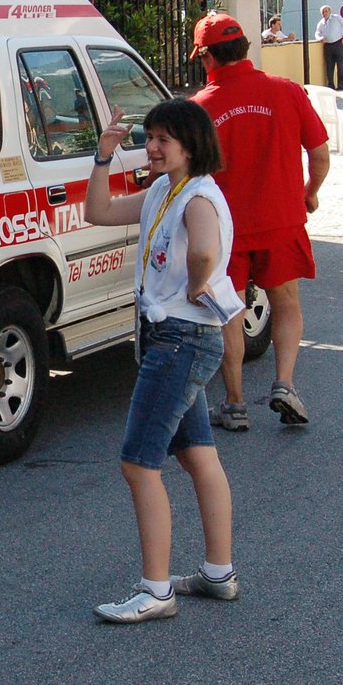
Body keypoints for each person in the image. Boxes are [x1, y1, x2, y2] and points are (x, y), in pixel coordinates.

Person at [83, 98, 242, 623]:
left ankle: (156, 590)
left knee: (137, 463)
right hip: (173, 336)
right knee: (198, 456)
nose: (150, 148)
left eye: (162, 140)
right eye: (148, 137)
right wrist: (102, 157)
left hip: (179, 339)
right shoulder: (162, 191)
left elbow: (205, 251)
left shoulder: (197, 198)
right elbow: (98, 212)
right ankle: (218, 573)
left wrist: (197, 284)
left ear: (190, 146)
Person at [189, 13, 330, 431]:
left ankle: (233, 404)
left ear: (207, 58)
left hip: (224, 230)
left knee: (229, 312)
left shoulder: (199, 109)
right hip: (281, 220)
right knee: (286, 302)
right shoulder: (286, 91)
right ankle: (284, 383)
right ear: (246, 48)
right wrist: (309, 192)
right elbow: (320, 155)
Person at [312, 5, 343, 90]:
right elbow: (317, 33)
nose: (324, 13)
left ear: (330, 11)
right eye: (323, 12)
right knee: (329, 66)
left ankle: (341, 86)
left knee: (341, 66)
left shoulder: (336, 18)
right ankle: (330, 85)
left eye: (326, 11)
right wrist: (320, 38)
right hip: (328, 45)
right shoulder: (321, 23)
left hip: (339, 43)